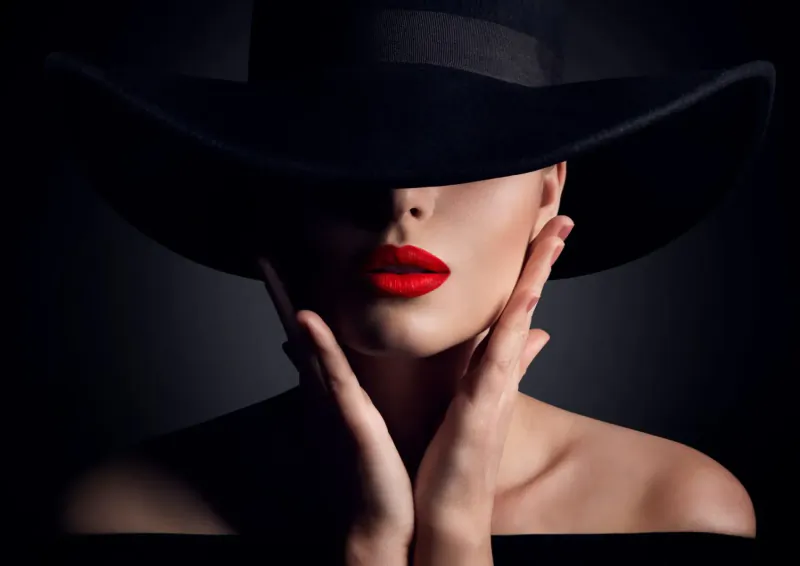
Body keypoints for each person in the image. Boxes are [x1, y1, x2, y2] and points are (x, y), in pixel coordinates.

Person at [44, 1, 775, 564]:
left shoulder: (677, 509)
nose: (403, 197)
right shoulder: (126, 516)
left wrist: (456, 534)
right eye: (346, 146)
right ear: (265, 187)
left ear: (550, 190)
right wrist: (370, 543)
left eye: (468, 149)